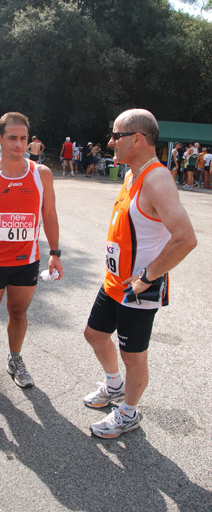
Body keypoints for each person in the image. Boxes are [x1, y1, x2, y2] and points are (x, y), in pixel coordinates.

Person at [83, 109, 197, 439]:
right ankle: (114, 386)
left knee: (132, 356)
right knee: (94, 334)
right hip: (115, 281)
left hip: (138, 287)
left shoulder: (157, 179)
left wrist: (147, 277)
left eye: (116, 135)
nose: (110, 142)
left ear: (137, 138)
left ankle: (128, 413)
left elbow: (186, 238)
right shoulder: (132, 173)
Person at [0, 112, 63, 395]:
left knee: (18, 312)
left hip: (26, 261)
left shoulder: (41, 174)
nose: (18, 144)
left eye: (23, 138)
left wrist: (55, 252)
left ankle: (15, 359)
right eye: (12, 138)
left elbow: (50, 214)